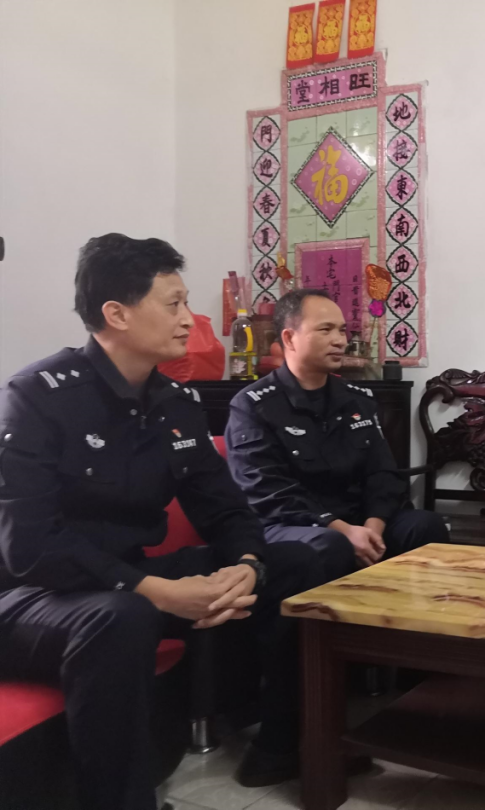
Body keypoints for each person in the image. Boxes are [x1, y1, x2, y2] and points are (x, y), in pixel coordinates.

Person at [0, 235, 325, 810]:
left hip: (129, 579)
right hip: (32, 598)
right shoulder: (38, 397)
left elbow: (224, 506)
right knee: (119, 615)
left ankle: (283, 746)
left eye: (186, 302)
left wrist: (247, 565)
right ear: (117, 314)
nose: (188, 319)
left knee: (299, 560)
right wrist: (154, 591)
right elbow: (29, 548)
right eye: (173, 304)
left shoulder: (176, 402)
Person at [226, 289, 448, 582]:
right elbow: (269, 492)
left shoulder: (357, 399)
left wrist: (373, 527)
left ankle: (404, 611)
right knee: (331, 545)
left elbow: (382, 473)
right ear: (289, 338)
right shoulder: (253, 405)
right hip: (291, 524)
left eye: (342, 330)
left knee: (425, 526)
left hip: (358, 521)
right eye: (325, 330)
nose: (340, 340)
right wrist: (339, 528)